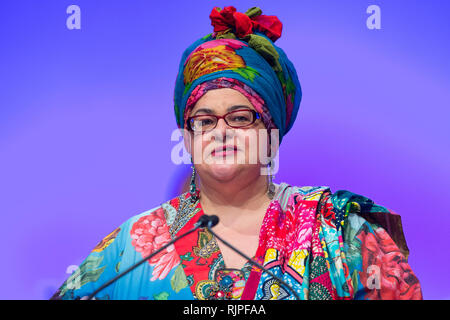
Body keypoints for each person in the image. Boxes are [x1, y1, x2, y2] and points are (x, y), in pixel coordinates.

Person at [51, 6, 422, 300]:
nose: (221, 132)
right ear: (187, 137)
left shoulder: (340, 233)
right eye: (204, 121)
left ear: (272, 133)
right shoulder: (132, 245)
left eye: (240, 117)